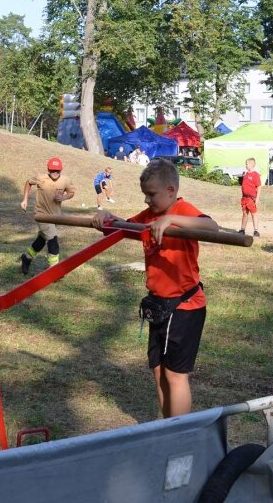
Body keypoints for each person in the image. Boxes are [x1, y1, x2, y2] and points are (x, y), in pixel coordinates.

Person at [91, 159, 219, 418]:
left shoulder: (182, 209)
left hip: (185, 306)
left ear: (170, 191)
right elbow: (123, 227)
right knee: (159, 370)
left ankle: (179, 432)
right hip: (159, 304)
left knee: (175, 374)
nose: (147, 200)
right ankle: (166, 426)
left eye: (152, 194)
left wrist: (172, 219)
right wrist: (107, 218)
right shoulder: (149, 216)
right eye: (145, 195)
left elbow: (212, 227)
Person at [19, 156, 75, 275]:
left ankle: (26, 257)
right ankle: (54, 270)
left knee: (41, 240)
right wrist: (25, 200)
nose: (55, 173)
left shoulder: (65, 180)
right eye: (52, 170)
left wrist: (63, 197)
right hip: (41, 214)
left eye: (57, 170)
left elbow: (71, 192)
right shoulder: (40, 178)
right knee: (53, 240)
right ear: (48, 169)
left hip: (55, 216)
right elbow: (28, 183)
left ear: (61, 170)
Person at [238, 157, 261, 237]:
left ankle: (256, 230)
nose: (246, 165)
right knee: (244, 213)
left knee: (253, 213)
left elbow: (259, 186)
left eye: (247, 164)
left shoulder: (255, 175)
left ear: (251, 165)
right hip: (244, 198)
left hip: (251, 199)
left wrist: (257, 198)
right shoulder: (246, 174)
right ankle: (242, 229)